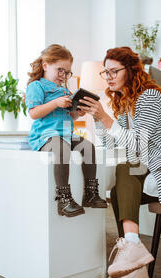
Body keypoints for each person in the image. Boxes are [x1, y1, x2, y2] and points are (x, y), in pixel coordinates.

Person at [79, 47, 161, 278]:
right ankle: (135, 266)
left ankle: (132, 254)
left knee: (126, 169)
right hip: (153, 166)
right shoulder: (126, 103)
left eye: (114, 71)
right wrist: (97, 117)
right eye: (106, 72)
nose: (108, 76)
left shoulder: (148, 97)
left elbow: (137, 143)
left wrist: (106, 118)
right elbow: (110, 143)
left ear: (131, 70)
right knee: (118, 190)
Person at [26, 44, 107, 217]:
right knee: (61, 149)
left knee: (88, 147)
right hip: (45, 136)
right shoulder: (37, 86)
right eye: (60, 70)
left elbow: (68, 117)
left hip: (66, 135)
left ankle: (90, 193)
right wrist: (55, 103)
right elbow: (34, 113)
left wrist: (77, 113)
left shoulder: (63, 89)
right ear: (46, 65)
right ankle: (63, 198)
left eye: (67, 72)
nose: (63, 76)